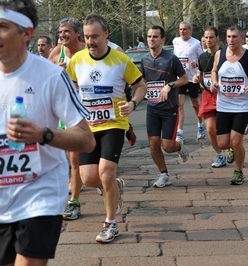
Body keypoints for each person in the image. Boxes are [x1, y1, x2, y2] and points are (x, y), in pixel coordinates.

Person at [0, 1, 95, 265]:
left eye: (2, 27)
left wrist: (43, 134)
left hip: (39, 195)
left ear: (26, 33)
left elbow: (86, 139)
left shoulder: (51, 76)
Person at [66, 14, 147, 243]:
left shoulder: (121, 60)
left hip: (113, 124)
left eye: (95, 37)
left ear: (106, 34)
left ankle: (111, 224)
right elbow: (70, 86)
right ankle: (115, 186)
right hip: (87, 127)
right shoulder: (77, 60)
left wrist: (132, 103)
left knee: (106, 172)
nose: (90, 41)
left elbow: (141, 86)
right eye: (87, 37)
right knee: (90, 178)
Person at [140, 25, 189, 188]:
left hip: (169, 109)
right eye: (149, 36)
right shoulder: (145, 59)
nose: (151, 39)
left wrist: (170, 85)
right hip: (152, 108)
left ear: (162, 40)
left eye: (155, 36)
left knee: (168, 146)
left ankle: (180, 146)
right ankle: (164, 174)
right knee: (153, 143)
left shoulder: (171, 59)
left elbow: (184, 79)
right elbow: (143, 82)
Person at [48, 17, 86, 221]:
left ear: (78, 33)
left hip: (88, 110)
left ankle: (76, 200)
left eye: (66, 32)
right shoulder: (57, 52)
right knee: (70, 158)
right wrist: (56, 72)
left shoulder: (86, 51)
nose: (62, 35)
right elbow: (44, 76)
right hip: (64, 110)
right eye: (60, 32)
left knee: (81, 159)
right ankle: (73, 199)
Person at [211, 25, 248, 185]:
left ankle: (238, 171)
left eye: (235, 37)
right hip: (223, 105)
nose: (231, 40)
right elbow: (214, 70)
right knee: (223, 143)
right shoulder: (219, 54)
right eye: (229, 37)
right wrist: (214, 82)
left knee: (237, 141)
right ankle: (231, 149)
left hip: (242, 106)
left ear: (242, 38)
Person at [193, 26, 227, 168]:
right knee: (210, 129)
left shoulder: (225, 54)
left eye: (211, 37)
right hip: (208, 95)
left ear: (218, 38)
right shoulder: (202, 56)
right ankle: (220, 154)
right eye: (206, 37)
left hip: (224, 95)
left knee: (226, 130)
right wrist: (197, 78)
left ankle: (231, 147)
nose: (208, 40)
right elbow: (200, 73)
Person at [173, 21, 205, 142]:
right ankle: (180, 131)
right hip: (181, 77)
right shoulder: (175, 41)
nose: (182, 31)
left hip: (192, 77)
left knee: (194, 103)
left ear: (190, 30)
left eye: (185, 29)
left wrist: (195, 64)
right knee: (179, 104)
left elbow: (202, 59)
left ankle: (200, 124)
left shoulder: (196, 43)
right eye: (181, 29)